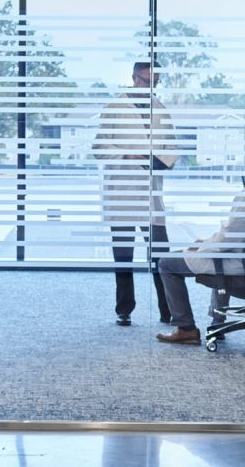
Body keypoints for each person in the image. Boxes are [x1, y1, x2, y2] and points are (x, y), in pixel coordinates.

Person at [93, 61, 179, 326]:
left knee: (160, 257)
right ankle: (124, 310)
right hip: (122, 193)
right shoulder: (115, 108)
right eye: (145, 81)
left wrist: (162, 159)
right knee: (123, 256)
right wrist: (127, 154)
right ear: (133, 78)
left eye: (155, 82)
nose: (150, 86)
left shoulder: (160, 110)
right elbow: (99, 147)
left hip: (151, 196)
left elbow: (172, 148)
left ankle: (168, 312)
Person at [156, 191, 245, 344]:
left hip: (240, 266)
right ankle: (218, 324)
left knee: (167, 263)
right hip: (239, 260)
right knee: (217, 259)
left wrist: (202, 246)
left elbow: (226, 239)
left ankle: (186, 329)